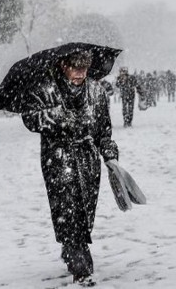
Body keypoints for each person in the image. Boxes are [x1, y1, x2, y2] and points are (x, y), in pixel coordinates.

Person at [21, 50, 118, 286]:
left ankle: (71, 246)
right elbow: (30, 117)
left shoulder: (97, 91)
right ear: (64, 66)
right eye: (76, 68)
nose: (80, 74)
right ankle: (81, 267)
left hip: (88, 160)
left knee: (85, 211)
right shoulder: (46, 88)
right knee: (68, 209)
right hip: (58, 158)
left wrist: (109, 153)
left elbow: (104, 129)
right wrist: (59, 117)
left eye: (85, 69)